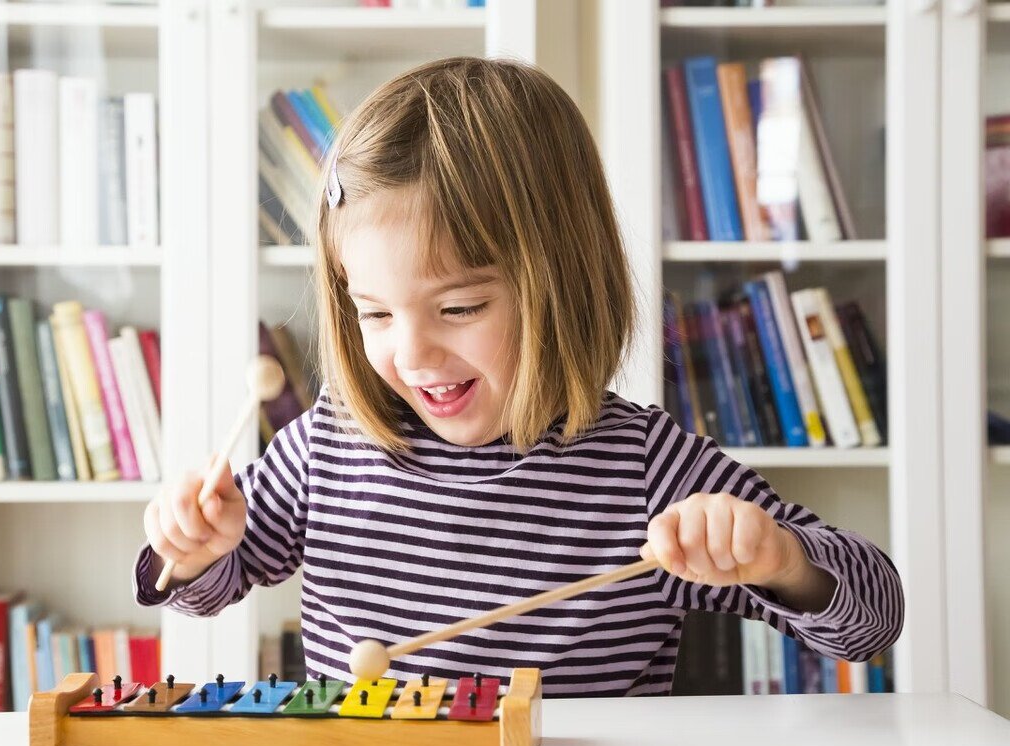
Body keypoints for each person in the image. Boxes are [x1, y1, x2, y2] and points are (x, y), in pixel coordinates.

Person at [135, 57, 903, 697]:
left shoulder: (642, 471)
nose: (413, 354)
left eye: (460, 306)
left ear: (561, 284)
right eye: (374, 313)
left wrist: (781, 562)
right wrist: (191, 548)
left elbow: (875, 619)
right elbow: (208, 590)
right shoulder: (328, 450)